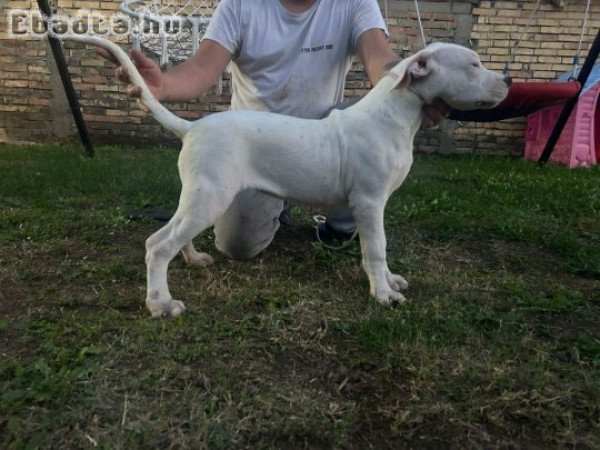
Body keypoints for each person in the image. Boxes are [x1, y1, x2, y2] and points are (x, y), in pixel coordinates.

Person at [98, 0, 447, 259]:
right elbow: (203, 69)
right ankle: (272, 200)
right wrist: (163, 86)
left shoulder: (353, 2)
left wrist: (412, 85)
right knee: (238, 247)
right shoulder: (239, 5)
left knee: (360, 121)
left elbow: (379, 59)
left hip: (324, 136)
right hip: (254, 145)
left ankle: (341, 224)